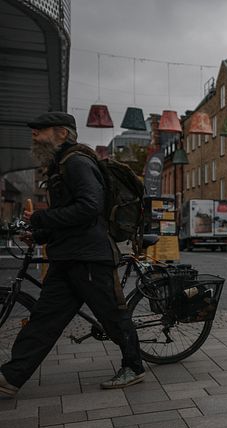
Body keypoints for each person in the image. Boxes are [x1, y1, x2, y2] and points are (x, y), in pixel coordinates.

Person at [0, 112, 145, 398]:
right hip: (68, 257)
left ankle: (134, 367)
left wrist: (41, 219)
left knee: (113, 316)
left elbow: (89, 207)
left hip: (90, 257)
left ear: (62, 134)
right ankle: (10, 377)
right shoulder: (60, 165)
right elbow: (69, 218)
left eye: (40, 130)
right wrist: (40, 234)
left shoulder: (77, 162)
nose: (34, 134)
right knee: (44, 320)